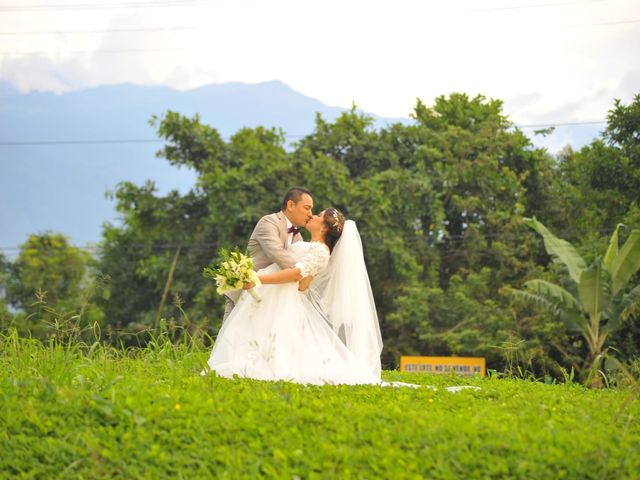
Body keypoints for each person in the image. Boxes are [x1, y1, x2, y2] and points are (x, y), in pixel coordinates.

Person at [205, 208, 384, 385]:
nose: (312, 215)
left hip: (276, 293)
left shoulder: (321, 252)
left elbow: (295, 275)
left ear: (323, 228)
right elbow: (303, 285)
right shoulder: (306, 244)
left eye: (319, 215)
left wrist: (257, 279)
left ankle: (260, 366)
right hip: (276, 294)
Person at [222, 187, 314, 323]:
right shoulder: (268, 222)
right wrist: (303, 273)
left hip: (271, 299)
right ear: (290, 205)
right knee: (230, 340)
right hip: (246, 291)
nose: (310, 214)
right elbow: (279, 256)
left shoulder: (297, 236)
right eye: (307, 208)